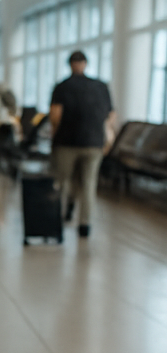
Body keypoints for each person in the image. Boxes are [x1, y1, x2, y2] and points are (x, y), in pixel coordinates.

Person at [49, 50, 116, 239]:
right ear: (86, 63)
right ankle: (85, 225)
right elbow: (110, 116)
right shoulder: (101, 86)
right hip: (94, 143)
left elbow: (55, 116)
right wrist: (108, 139)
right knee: (88, 184)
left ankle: (62, 213)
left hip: (67, 142)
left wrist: (53, 139)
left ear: (70, 64)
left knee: (63, 180)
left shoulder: (62, 87)